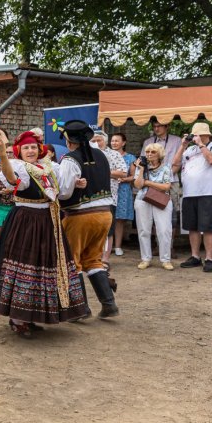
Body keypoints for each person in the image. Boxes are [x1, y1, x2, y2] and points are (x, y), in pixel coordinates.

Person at [0, 129, 88, 337]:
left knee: (43, 268)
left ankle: (31, 315)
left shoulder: (49, 167)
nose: (30, 150)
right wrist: (3, 155)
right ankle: (18, 318)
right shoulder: (18, 166)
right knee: (26, 267)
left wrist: (76, 184)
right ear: (19, 151)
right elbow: (11, 178)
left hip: (48, 222)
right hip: (26, 222)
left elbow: (58, 191)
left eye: (33, 147)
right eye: (26, 148)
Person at [57, 120, 119, 320]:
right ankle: (109, 304)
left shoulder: (70, 160)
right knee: (93, 259)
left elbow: (65, 193)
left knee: (72, 261)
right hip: (105, 214)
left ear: (68, 140)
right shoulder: (101, 155)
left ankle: (81, 309)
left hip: (80, 215)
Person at [172, 122, 212, 272]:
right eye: (195, 135)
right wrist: (183, 146)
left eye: (199, 135)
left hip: (208, 192)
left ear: (206, 135)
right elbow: (174, 165)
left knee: (208, 227)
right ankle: (195, 256)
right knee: (192, 227)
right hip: (189, 193)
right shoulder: (189, 149)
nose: (196, 137)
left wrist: (201, 145)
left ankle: (209, 258)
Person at [141, 119, 182, 258]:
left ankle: (170, 246)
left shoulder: (176, 141)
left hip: (172, 180)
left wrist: (166, 175)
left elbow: (178, 163)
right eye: (154, 126)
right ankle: (158, 245)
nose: (156, 129)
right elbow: (143, 161)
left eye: (159, 126)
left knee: (172, 215)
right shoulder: (148, 141)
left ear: (167, 126)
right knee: (153, 212)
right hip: (151, 181)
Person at [90, 131, 127, 269]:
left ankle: (105, 259)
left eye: (98, 140)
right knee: (93, 230)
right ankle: (93, 258)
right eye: (93, 140)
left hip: (108, 198)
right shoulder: (87, 154)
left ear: (105, 141)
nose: (96, 143)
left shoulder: (114, 154)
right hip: (89, 198)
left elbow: (123, 172)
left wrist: (104, 172)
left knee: (108, 230)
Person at [133, 144, 173, 270]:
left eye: (153, 152)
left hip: (161, 200)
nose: (149, 154)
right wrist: (141, 170)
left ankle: (165, 259)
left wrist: (148, 183)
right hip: (142, 200)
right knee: (143, 230)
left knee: (164, 230)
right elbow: (138, 185)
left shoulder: (166, 167)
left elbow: (166, 187)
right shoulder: (141, 167)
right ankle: (145, 259)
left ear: (159, 154)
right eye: (147, 151)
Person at [111, 132, 136, 256]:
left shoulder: (130, 158)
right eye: (112, 140)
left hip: (123, 190)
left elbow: (133, 176)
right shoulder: (107, 155)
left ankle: (118, 246)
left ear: (123, 143)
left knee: (120, 219)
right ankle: (107, 246)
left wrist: (124, 179)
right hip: (109, 189)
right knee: (108, 218)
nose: (114, 143)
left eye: (117, 140)